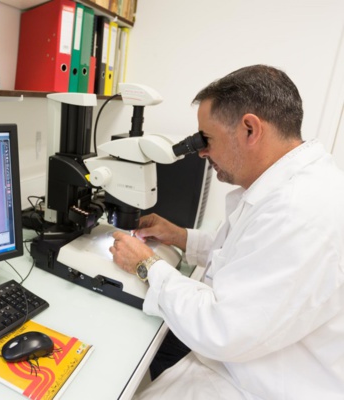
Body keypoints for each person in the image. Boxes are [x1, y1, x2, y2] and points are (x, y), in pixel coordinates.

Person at [109, 65, 344, 399]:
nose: (201, 152)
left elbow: (222, 330)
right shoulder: (296, 185)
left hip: (255, 380)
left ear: (249, 129)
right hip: (250, 355)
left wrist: (147, 266)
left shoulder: (299, 210)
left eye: (207, 139)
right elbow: (250, 251)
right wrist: (182, 236)